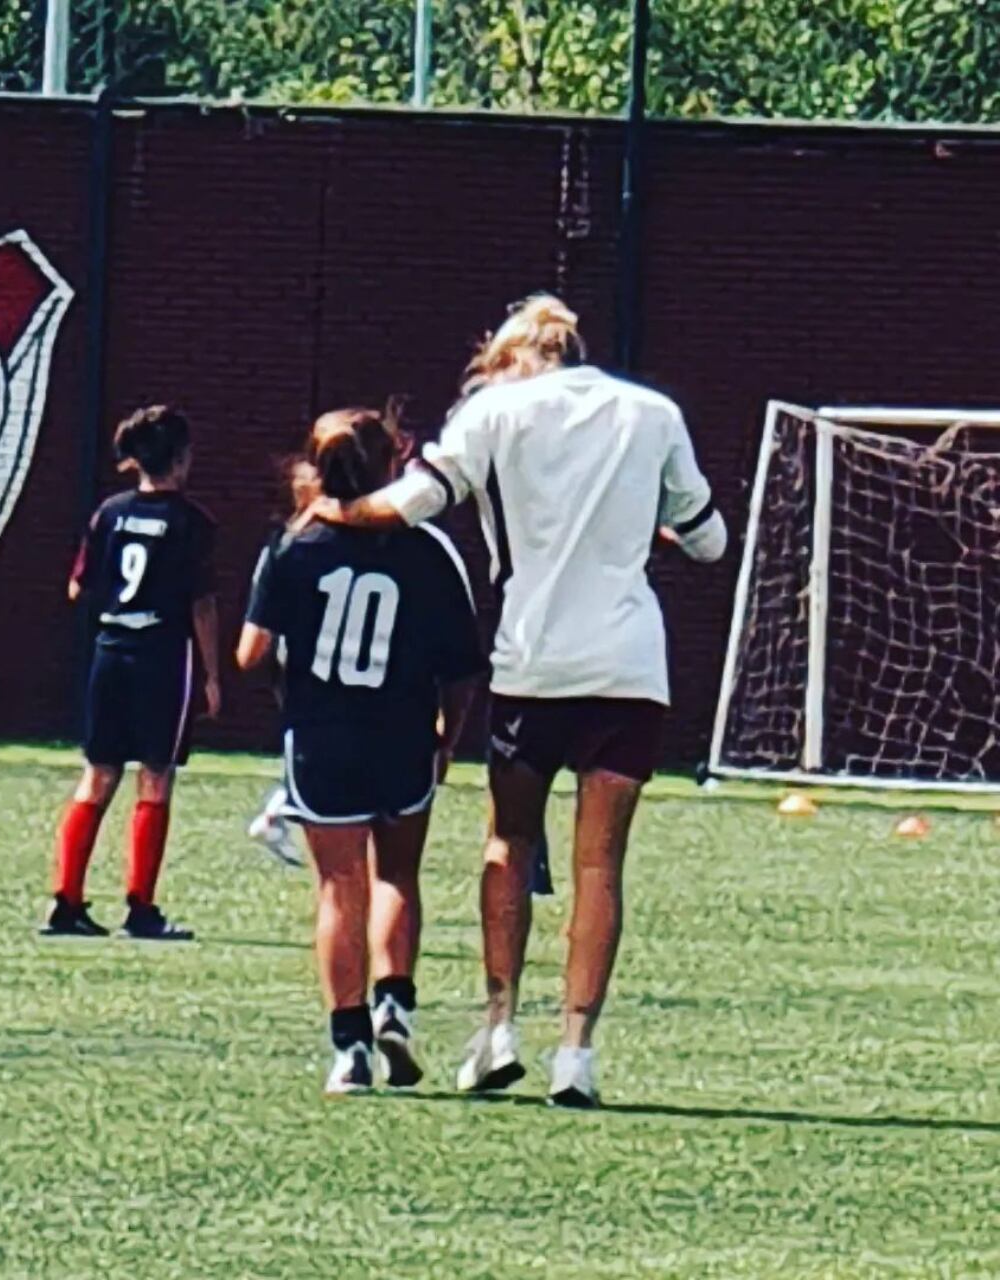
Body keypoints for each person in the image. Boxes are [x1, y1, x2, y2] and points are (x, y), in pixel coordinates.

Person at [297, 296, 726, 1106]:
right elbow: (709, 540)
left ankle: (498, 1027)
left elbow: (415, 502)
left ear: (512, 357)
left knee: (509, 844)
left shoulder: (494, 412)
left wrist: (340, 509)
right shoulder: (654, 412)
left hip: (533, 663)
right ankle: (577, 1055)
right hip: (630, 667)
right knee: (600, 863)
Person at [237, 407, 485, 1095]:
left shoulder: (295, 544)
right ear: (393, 463)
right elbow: (463, 666)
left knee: (336, 886)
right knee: (397, 876)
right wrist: (447, 738)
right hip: (402, 733)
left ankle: (349, 1047)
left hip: (321, 737)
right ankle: (395, 1006)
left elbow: (250, 651)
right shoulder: (428, 549)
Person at [43, 405, 220, 940]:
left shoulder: (109, 513)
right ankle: (141, 906)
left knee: (97, 773)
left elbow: (78, 586)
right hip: (160, 654)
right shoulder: (192, 524)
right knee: (156, 775)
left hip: (109, 650)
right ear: (182, 459)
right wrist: (212, 675)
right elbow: (202, 604)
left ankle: (66, 900)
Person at [246, 457, 322, 868]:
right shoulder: (292, 546)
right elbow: (253, 643)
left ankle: (281, 807)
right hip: (306, 660)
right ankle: (279, 810)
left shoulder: (289, 544)